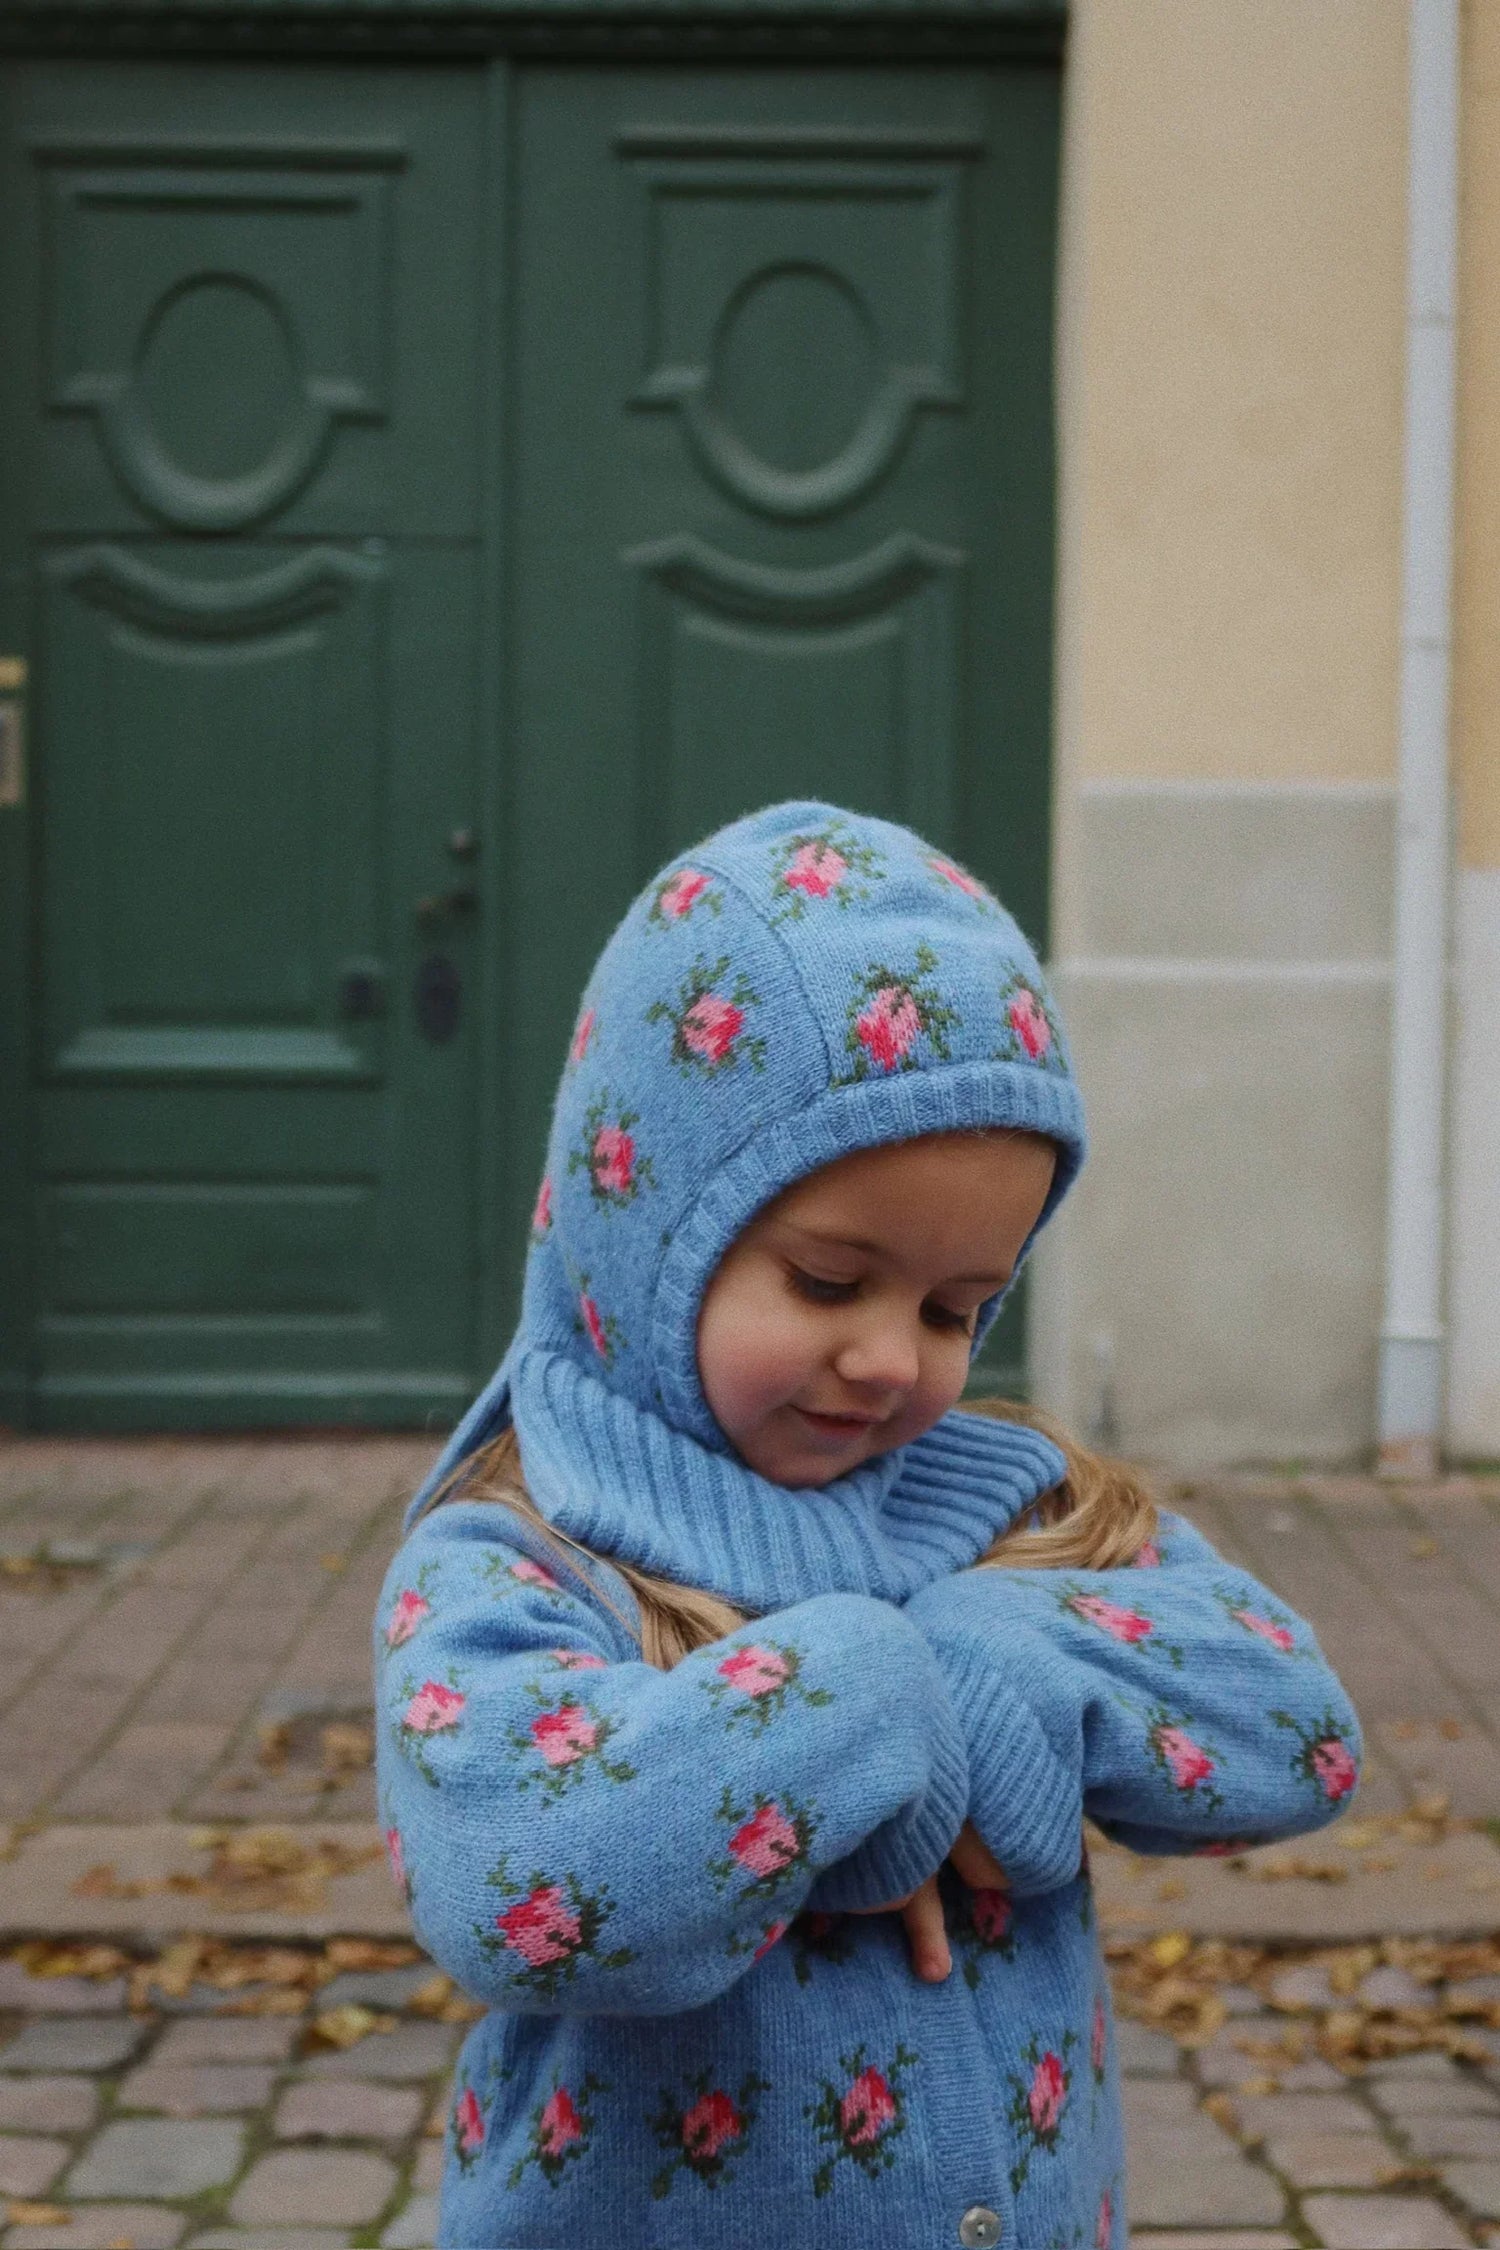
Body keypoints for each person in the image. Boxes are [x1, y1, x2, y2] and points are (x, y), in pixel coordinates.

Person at [374, 800, 1360, 2250]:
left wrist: (993, 1666)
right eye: (831, 1282)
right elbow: (520, 1884)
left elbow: (1301, 1729)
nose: (896, 1357)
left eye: (958, 1306)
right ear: (645, 1235)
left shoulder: (1004, 1502)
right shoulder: (521, 1553)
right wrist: (878, 1697)